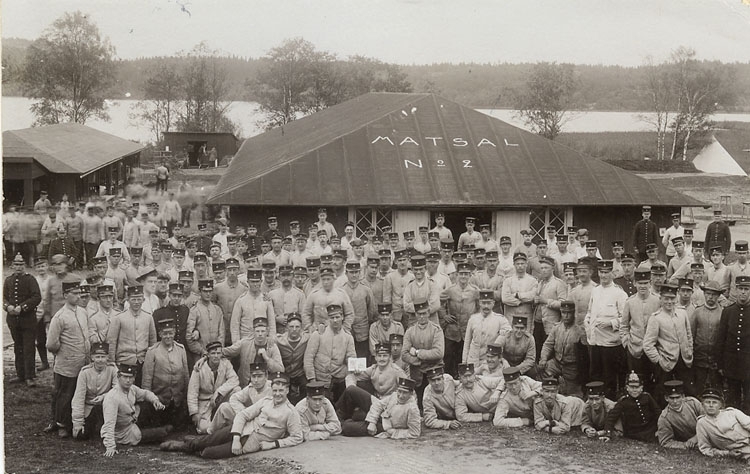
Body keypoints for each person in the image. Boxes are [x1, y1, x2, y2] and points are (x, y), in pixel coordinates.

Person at [161, 372, 303, 459]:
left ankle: (189, 445)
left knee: (207, 453)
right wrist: (236, 437)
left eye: (281, 391)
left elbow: (297, 437)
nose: (277, 394)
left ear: (287, 391)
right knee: (207, 440)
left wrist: (274, 444)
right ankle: (180, 445)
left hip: (250, 443)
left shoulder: (291, 412)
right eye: (275, 390)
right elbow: (242, 415)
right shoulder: (266, 401)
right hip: (239, 430)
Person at [46, 281, 90, 437]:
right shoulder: (59, 317)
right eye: (75, 293)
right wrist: (65, 352)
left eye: (79, 293)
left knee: (79, 393)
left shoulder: (82, 312)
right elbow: (51, 344)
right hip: (66, 363)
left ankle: (73, 422)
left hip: (82, 362)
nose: (78, 296)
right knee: (64, 394)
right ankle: (61, 424)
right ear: (65, 295)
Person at [101, 364, 171, 457]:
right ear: (118, 377)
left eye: (131, 377)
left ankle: (167, 427)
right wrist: (110, 446)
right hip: (123, 433)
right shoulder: (112, 397)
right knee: (162, 433)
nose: (128, 380)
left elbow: (145, 393)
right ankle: (164, 430)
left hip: (132, 422)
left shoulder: (131, 389)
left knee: (158, 401)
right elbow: (109, 424)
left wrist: (155, 400)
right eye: (125, 377)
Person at [643, 284, 695, 399]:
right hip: (666, 362)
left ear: (676, 298)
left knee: (688, 390)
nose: (669, 302)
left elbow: (688, 334)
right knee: (662, 392)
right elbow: (647, 345)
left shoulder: (682, 313)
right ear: (660, 299)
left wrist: (689, 351)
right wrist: (658, 360)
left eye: (672, 298)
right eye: (666, 298)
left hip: (684, 360)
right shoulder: (656, 318)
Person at [585, 260, 627, 400]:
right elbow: (590, 312)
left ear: (612, 273)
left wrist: (610, 323)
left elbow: (626, 319)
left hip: (611, 343)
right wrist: (587, 321)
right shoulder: (595, 291)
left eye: (606, 272)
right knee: (595, 375)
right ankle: (596, 403)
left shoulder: (619, 293)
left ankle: (610, 402)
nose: (603, 275)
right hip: (596, 341)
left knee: (610, 377)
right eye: (601, 272)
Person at [141, 319, 189, 428]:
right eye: (165, 334)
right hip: (160, 400)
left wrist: (186, 398)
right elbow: (147, 379)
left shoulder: (181, 349)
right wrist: (150, 401)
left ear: (174, 333)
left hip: (177, 400)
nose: (168, 336)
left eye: (170, 333)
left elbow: (186, 375)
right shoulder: (152, 351)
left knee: (178, 427)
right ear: (160, 334)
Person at [4, 253, 42, 387]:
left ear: (24, 266)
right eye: (16, 264)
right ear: (12, 265)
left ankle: (30, 376)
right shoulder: (8, 280)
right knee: (17, 347)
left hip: (28, 320)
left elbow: (37, 297)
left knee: (28, 348)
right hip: (13, 320)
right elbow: (4, 297)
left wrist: (23, 307)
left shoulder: (30, 279)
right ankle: (20, 374)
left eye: (21, 265)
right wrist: (7, 306)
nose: (18, 267)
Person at [304, 304, 356, 403]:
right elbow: (308, 358)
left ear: (342, 317)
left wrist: (350, 378)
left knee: (343, 403)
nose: (335, 320)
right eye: (332, 317)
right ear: (328, 319)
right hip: (321, 377)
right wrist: (312, 379)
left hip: (339, 377)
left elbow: (351, 358)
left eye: (337, 317)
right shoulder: (318, 334)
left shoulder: (348, 337)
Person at [107, 285, 157, 386]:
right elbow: (111, 342)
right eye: (133, 299)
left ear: (143, 300)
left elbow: (152, 340)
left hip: (143, 362)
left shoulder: (148, 317)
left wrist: (151, 359)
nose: (136, 302)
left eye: (139, 299)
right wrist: (112, 363)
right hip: (124, 361)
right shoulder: (119, 318)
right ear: (128, 300)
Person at [619, 269, 660, 392]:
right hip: (635, 348)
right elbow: (624, 326)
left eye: (645, 283)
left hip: (654, 348)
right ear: (635, 283)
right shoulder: (630, 302)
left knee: (655, 379)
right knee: (637, 379)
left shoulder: (657, 300)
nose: (642, 286)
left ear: (650, 283)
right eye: (639, 283)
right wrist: (626, 342)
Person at [187, 340, 240, 434]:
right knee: (203, 429)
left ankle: (231, 421)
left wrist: (219, 392)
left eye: (218, 353)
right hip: (205, 402)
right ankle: (221, 429)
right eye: (213, 353)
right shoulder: (199, 368)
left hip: (221, 398)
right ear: (208, 355)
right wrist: (194, 412)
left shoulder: (226, 363)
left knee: (237, 390)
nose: (216, 356)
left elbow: (234, 379)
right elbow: (192, 392)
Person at [716, 275, 750, 413]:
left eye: (746, 289)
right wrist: (720, 364)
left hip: (748, 365)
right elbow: (721, 339)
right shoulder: (728, 311)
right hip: (731, 364)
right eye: (741, 288)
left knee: (749, 399)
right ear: (736, 290)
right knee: (732, 400)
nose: (743, 292)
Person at [71, 342, 118, 440]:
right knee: (80, 436)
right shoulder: (85, 372)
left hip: (105, 408)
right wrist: (78, 423)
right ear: (92, 358)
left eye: (103, 356)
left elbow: (117, 391)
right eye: (97, 357)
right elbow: (78, 398)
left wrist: (104, 397)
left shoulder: (113, 370)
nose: (100, 360)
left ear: (107, 357)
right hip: (88, 409)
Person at [209, 361, 272, 432]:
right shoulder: (251, 387)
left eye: (260, 376)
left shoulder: (273, 389)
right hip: (249, 419)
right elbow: (234, 398)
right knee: (224, 407)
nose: (256, 380)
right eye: (253, 376)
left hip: (263, 425)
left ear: (266, 376)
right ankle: (210, 432)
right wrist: (242, 412)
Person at [695, 387, 750, 464]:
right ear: (702, 405)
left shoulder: (732, 413)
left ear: (720, 404)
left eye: (714, 402)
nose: (711, 405)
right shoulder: (702, 423)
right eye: (708, 402)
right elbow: (705, 449)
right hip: (738, 451)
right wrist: (727, 453)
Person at [538, 301, 581, 396]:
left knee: (572, 394)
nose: (566, 316)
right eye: (564, 313)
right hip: (557, 363)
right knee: (544, 368)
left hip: (571, 366)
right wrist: (543, 358)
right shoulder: (557, 327)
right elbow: (548, 344)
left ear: (574, 313)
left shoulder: (579, 330)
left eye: (569, 313)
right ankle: (549, 391)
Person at [401, 299, 445, 390]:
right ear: (415, 314)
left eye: (424, 313)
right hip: (417, 375)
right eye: (419, 314)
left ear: (428, 312)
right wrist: (420, 362)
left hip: (434, 373)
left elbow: (439, 353)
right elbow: (404, 354)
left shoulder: (436, 330)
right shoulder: (410, 331)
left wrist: (418, 352)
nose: (421, 316)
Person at [605, 371, 660, 443]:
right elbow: (611, 418)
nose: (634, 390)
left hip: (650, 428)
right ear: (627, 388)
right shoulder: (623, 401)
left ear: (641, 388)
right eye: (631, 387)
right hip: (634, 432)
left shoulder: (647, 397)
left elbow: (658, 412)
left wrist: (659, 429)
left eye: (637, 387)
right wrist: (608, 434)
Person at [691, 280, 723, 395]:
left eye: (714, 294)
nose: (711, 297)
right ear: (704, 294)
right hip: (700, 358)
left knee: (716, 389)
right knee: (699, 387)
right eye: (708, 293)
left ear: (718, 296)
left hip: (716, 359)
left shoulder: (723, 313)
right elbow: (691, 334)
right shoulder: (697, 312)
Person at [462, 290, 511, 365]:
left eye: (489, 303)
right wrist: (464, 361)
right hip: (473, 360)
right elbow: (467, 342)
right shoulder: (473, 319)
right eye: (483, 303)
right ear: (479, 303)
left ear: (493, 304)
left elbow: (508, 332)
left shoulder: (500, 319)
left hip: (489, 361)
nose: (486, 306)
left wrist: (497, 343)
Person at [656, 380, 704, 450]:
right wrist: (685, 445)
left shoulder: (692, 402)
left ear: (683, 396)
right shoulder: (664, 417)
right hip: (692, 442)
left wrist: (696, 437)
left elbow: (708, 419)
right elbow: (665, 442)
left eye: (678, 397)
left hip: (707, 434)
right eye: (671, 398)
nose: (675, 401)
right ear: (666, 398)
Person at [187, 279, 225, 359]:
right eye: (205, 291)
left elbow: (221, 332)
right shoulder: (194, 310)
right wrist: (202, 351)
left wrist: (218, 350)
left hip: (216, 354)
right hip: (201, 355)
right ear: (200, 292)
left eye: (210, 291)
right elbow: (189, 336)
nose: (208, 294)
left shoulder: (217, 310)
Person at [276, 313, 309, 404]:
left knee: (307, 387)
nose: (294, 329)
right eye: (291, 326)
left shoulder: (306, 338)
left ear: (301, 327)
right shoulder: (279, 340)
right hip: (285, 373)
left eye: (297, 327)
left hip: (300, 372)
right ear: (287, 327)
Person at [422, 365, 460, 430]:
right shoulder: (427, 395)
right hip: (447, 417)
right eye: (433, 380)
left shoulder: (449, 379)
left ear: (443, 378)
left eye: (439, 379)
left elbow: (461, 386)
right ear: (429, 381)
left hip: (462, 412)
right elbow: (429, 421)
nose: (436, 383)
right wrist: (448, 424)